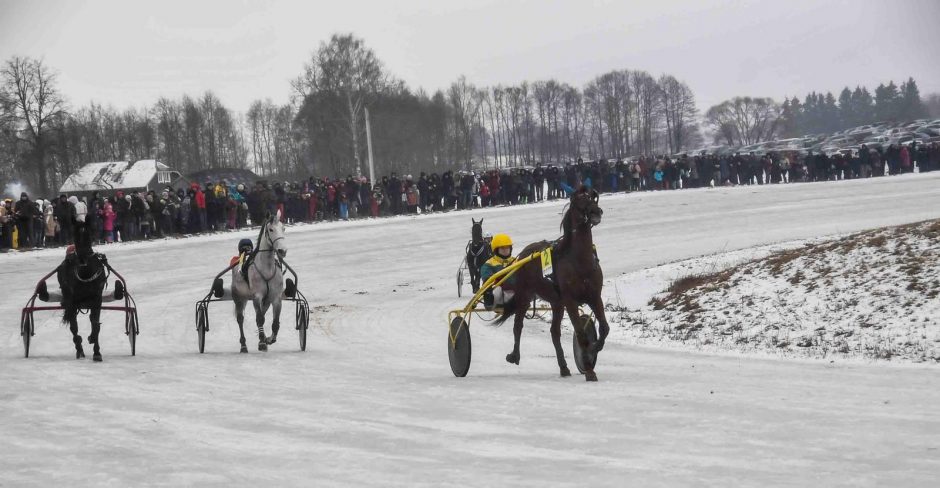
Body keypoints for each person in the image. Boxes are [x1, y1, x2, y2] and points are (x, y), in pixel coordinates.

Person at [480, 233, 516, 310]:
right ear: (496, 250)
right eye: (502, 248)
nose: (505, 250)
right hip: (497, 292)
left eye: (507, 248)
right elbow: (486, 277)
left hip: (514, 290)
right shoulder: (490, 263)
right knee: (497, 290)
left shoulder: (516, 261)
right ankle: (494, 304)